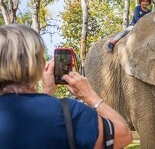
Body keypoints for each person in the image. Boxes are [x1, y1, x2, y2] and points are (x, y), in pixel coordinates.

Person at [0, 24, 133, 149]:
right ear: (37, 63)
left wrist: (47, 91)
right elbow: (123, 135)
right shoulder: (68, 112)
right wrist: (89, 95)